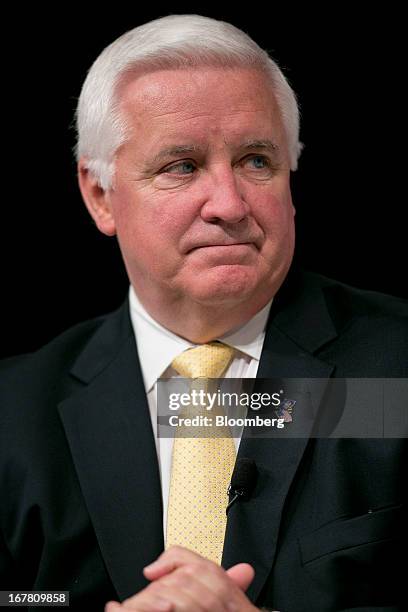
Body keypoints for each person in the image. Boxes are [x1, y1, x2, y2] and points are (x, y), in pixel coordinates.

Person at [0, 14, 406, 612]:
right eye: (182, 167)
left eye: (256, 161)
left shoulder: (396, 372)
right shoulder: (13, 412)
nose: (230, 203)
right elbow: (20, 601)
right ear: (100, 195)